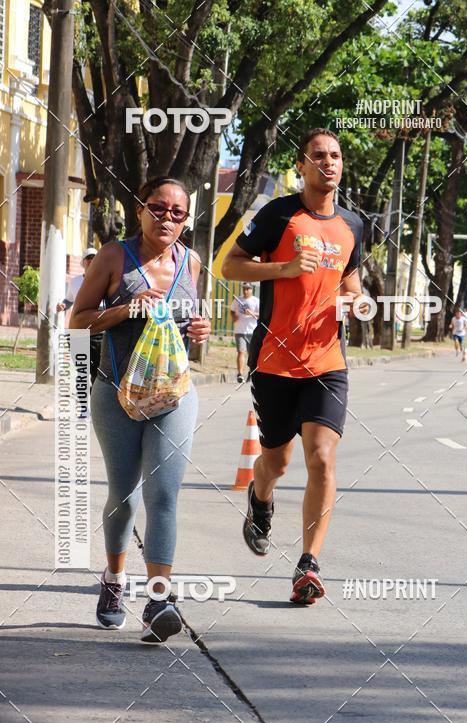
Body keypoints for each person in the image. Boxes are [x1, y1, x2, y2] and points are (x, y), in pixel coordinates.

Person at [222, 127, 364, 606]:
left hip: (328, 360)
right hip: (274, 360)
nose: (329, 163)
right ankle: (260, 498)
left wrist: (356, 301)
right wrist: (282, 269)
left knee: (321, 456)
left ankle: (308, 564)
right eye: (319, 156)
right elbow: (231, 265)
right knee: (277, 461)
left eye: (336, 156)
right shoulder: (279, 214)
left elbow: (351, 282)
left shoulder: (352, 225)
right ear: (301, 165)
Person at [70, 177, 210, 642]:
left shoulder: (192, 261)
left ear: (187, 219)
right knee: (123, 496)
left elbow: (191, 323)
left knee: (164, 496)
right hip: (117, 392)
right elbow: (78, 320)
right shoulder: (114, 256)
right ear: (139, 210)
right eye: (158, 208)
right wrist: (126, 308)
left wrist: (201, 331)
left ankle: (157, 600)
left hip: (174, 395)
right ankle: (113, 580)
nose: (167, 218)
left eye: (178, 212)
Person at [57, 248, 103, 383]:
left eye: (94, 258)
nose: (91, 261)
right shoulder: (75, 281)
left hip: (97, 332)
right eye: (88, 258)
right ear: (83, 262)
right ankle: (83, 401)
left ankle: (94, 399)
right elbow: (70, 299)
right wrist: (63, 306)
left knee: (97, 370)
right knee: (82, 370)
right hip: (78, 331)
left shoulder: (104, 279)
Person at [230, 282, 259, 383]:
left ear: (251, 289)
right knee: (241, 352)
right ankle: (240, 374)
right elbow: (232, 310)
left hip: (252, 331)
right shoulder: (238, 300)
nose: (246, 291)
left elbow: (261, 315)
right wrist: (234, 317)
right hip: (239, 330)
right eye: (244, 289)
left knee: (251, 354)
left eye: (248, 289)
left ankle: (251, 372)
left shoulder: (256, 301)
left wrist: (252, 313)